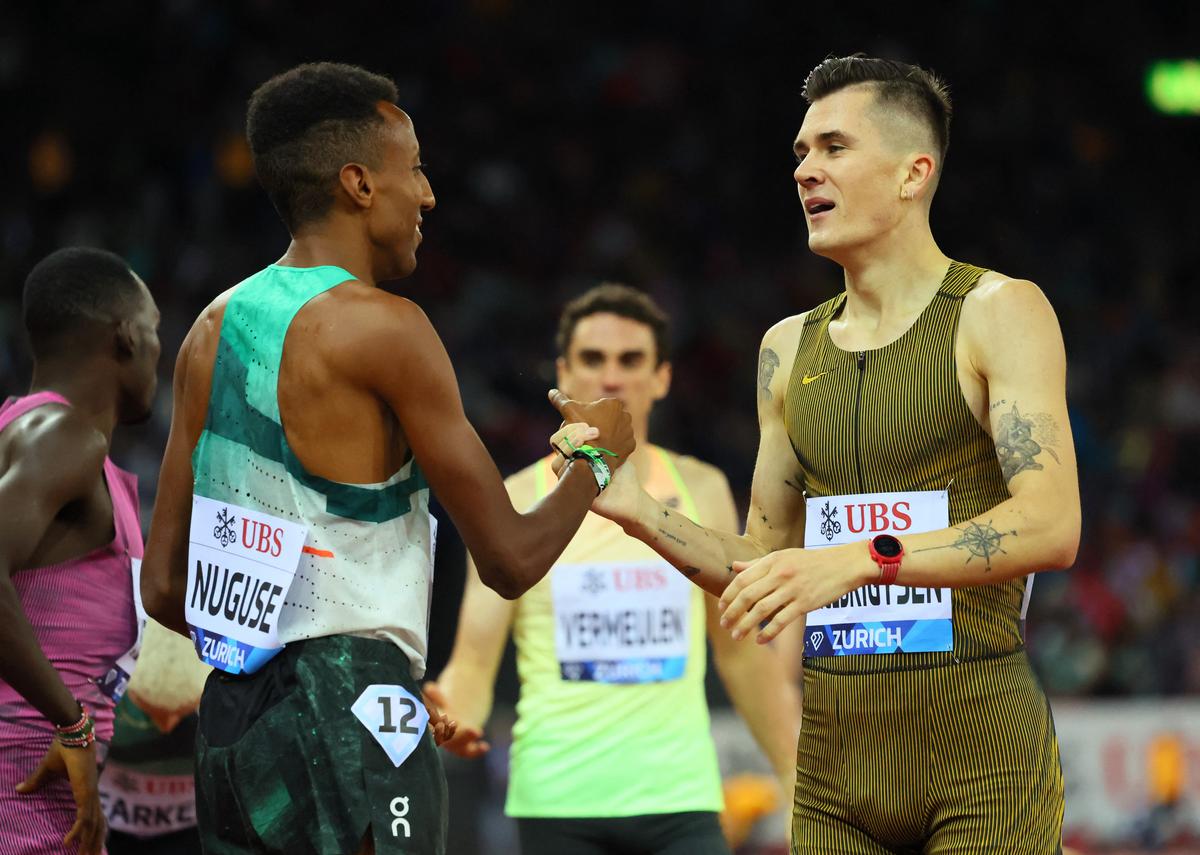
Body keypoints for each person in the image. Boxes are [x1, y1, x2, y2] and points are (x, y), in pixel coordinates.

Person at [138, 62, 633, 855]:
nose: (429, 195)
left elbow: (166, 585)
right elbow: (508, 558)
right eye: (416, 171)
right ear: (360, 184)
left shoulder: (208, 329)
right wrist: (601, 456)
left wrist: (300, 656)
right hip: (354, 702)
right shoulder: (385, 327)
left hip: (231, 722)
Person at [590, 56, 1080, 854]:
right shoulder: (786, 349)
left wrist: (861, 558)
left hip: (982, 753)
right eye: (799, 153)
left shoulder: (999, 310)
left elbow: (1051, 524)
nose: (804, 170)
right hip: (834, 770)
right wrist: (641, 512)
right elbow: (765, 559)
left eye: (833, 148)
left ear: (913, 173)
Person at [425, 284, 800, 855]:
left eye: (631, 361)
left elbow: (741, 654)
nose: (611, 377)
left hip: (682, 798)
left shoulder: (701, 489)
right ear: (563, 372)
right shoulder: (516, 498)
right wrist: (455, 716)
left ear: (662, 377)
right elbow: (474, 663)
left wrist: (799, 783)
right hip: (557, 803)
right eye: (593, 360)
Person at [0, 247, 161, 855]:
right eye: (153, 333)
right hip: (21, 793)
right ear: (124, 337)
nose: (157, 354)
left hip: (47, 797)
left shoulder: (30, 432)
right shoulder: (63, 437)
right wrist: (72, 724)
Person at [100, 619, 211, 854]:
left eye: (177, 712)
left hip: (191, 832)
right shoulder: (105, 688)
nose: (167, 724)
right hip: (109, 829)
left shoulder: (218, 695)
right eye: (154, 711)